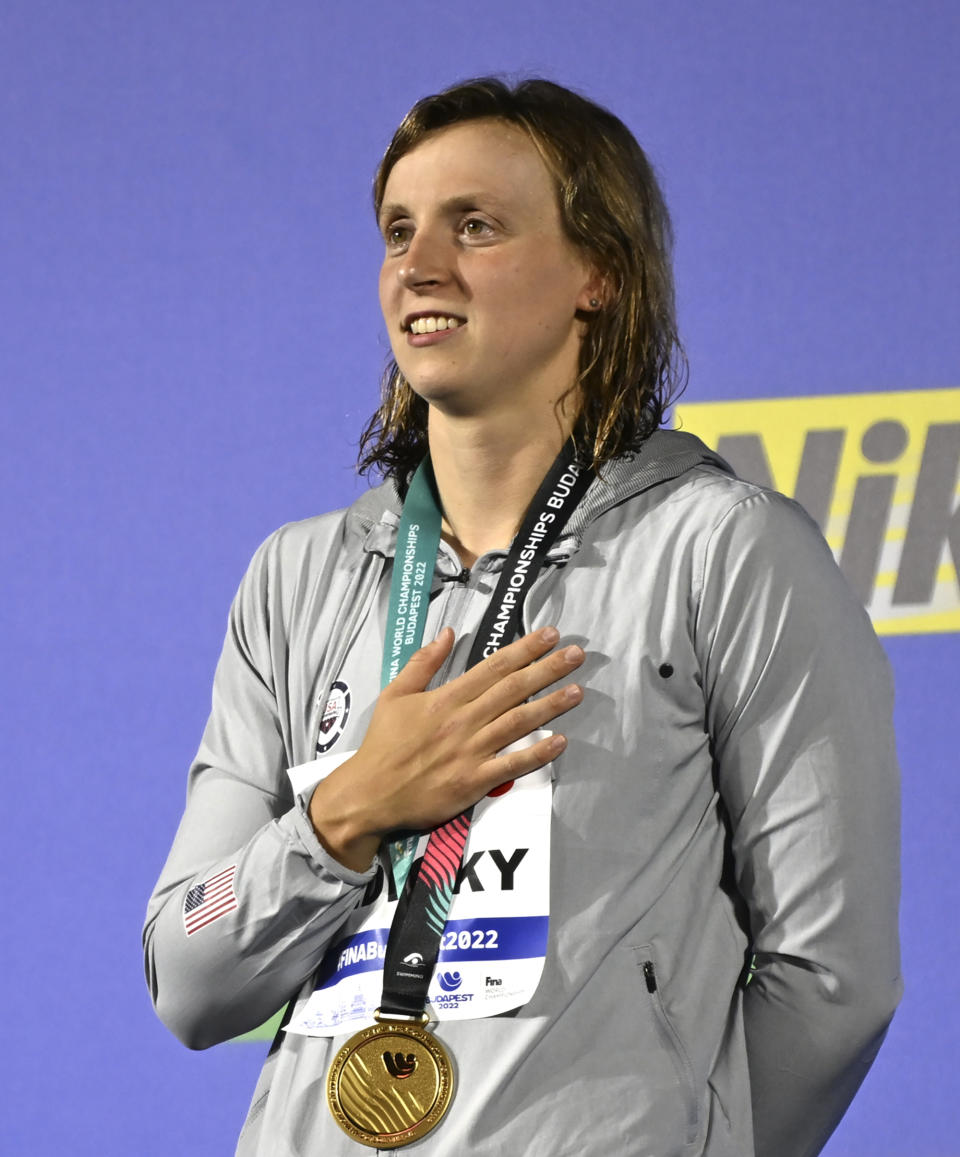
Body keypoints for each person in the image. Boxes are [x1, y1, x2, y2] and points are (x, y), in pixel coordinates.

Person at [144, 77, 901, 1156]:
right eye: (399, 230)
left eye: (477, 226)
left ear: (598, 272)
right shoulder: (297, 576)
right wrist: (349, 810)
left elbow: (835, 978)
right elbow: (188, 969)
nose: (419, 265)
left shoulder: (724, 548)